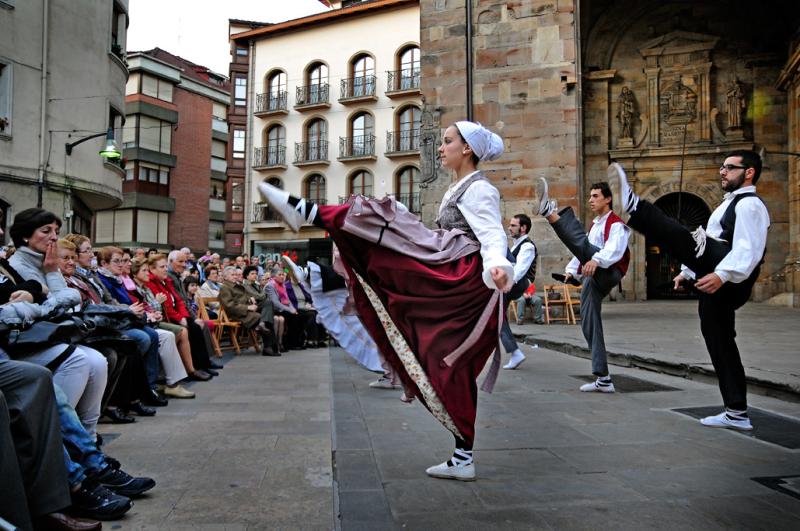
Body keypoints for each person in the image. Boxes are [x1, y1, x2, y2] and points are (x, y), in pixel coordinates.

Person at [258, 120, 512, 481]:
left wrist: (499, 266)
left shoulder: (479, 189)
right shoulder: (458, 187)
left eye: (447, 141)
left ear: (467, 148)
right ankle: (463, 454)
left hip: (464, 278)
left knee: (389, 226)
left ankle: (313, 213)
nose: (440, 148)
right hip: (451, 266)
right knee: (448, 365)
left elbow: (492, 233)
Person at [609, 151, 769, 430]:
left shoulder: (750, 205)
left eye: (730, 168)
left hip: (731, 276)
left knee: (687, 237)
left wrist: (722, 275)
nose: (722, 171)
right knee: (719, 342)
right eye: (722, 167)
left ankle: (635, 208)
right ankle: (737, 411)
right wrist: (688, 272)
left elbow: (749, 250)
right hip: (718, 272)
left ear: (749, 172)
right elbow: (709, 244)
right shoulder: (727, 205)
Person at [7, 209, 109, 437]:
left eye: (56, 231)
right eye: (46, 231)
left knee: (99, 361)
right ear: (25, 236)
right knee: (78, 360)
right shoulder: (19, 265)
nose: (53, 237)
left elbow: (71, 298)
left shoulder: (47, 262)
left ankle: (88, 436)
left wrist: (50, 282)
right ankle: (58, 437)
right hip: (25, 339)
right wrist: (46, 292)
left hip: (47, 334)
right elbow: (40, 308)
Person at [535, 180, 631, 393]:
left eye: (595, 196)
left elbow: (614, 251)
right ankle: (603, 377)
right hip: (592, 275)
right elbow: (581, 253)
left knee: (583, 243)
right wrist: (571, 271)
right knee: (588, 321)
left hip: (609, 270)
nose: (590, 200)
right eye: (590, 196)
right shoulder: (596, 224)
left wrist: (596, 261)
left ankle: (551, 213)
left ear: (608, 199)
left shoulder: (616, 224)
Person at [502, 214, 538, 370]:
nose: (509, 228)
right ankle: (515, 352)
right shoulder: (516, 245)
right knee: (496, 316)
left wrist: (509, 283)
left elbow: (520, 269)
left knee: (494, 315)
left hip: (519, 283)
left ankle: (515, 352)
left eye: (513, 225)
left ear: (523, 228)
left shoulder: (527, 246)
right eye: (510, 225)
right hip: (513, 283)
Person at [218, 266, 277, 356]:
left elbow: (243, 297)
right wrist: (247, 308)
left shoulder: (236, 285)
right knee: (262, 319)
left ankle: (270, 344)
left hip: (248, 308)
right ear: (225, 277)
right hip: (238, 313)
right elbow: (229, 306)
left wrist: (250, 298)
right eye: (232, 275)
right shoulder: (225, 288)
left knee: (267, 304)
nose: (235, 276)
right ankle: (270, 347)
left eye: (235, 274)